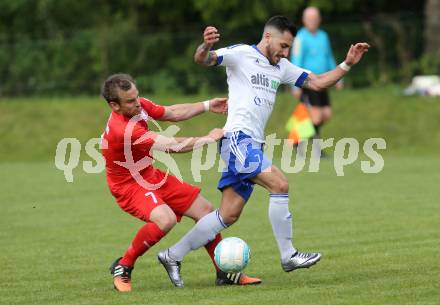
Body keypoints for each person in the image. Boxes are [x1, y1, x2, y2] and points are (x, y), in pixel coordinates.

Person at [157, 16, 369, 287]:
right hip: (237, 140)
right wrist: (204, 46)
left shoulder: (281, 67)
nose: (285, 52)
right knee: (279, 183)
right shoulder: (241, 54)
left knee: (228, 215)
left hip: (253, 144)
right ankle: (288, 255)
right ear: (268, 37)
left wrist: (347, 63)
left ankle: (172, 255)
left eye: (289, 47)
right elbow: (203, 59)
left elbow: (317, 82)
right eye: (283, 45)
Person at [100, 73, 261, 292]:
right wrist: (208, 138)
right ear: (114, 106)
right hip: (128, 185)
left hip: (149, 175)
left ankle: (224, 273)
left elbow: (173, 112)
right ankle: (124, 265)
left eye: (137, 96)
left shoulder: (138, 106)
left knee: (206, 212)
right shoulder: (124, 130)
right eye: (130, 101)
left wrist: (206, 105)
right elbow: (171, 146)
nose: (137, 103)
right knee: (164, 220)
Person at [290, 7, 343, 157]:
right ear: (304, 20)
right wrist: (296, 85)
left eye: (315, 18)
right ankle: (317, 150)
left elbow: (329, 57)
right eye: (309, 18)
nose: (312, 21)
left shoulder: (323, 36)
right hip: (307, 82)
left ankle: (298, 138)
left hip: (323, 82)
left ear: (319, 19)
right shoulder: (300, 38)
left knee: (326, 114)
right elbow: (296, 61)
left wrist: (338, 77)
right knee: (316, 116)